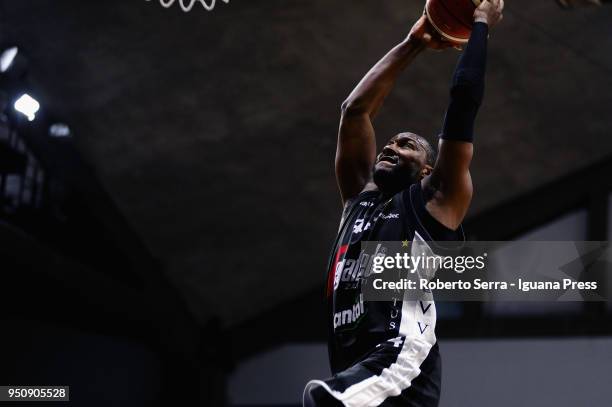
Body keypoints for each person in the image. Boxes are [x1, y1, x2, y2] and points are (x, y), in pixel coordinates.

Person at [303, 1, 504, 406]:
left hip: (402, 369)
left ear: (428, 170)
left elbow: (463, 103)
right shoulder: (359, 200)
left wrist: (480, 26)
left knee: (326, 397)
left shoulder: (433, 202)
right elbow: (354, 110)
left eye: (407, 145)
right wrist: (412, 43)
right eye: (391, 141)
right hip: (356, 370)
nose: (390, 146)